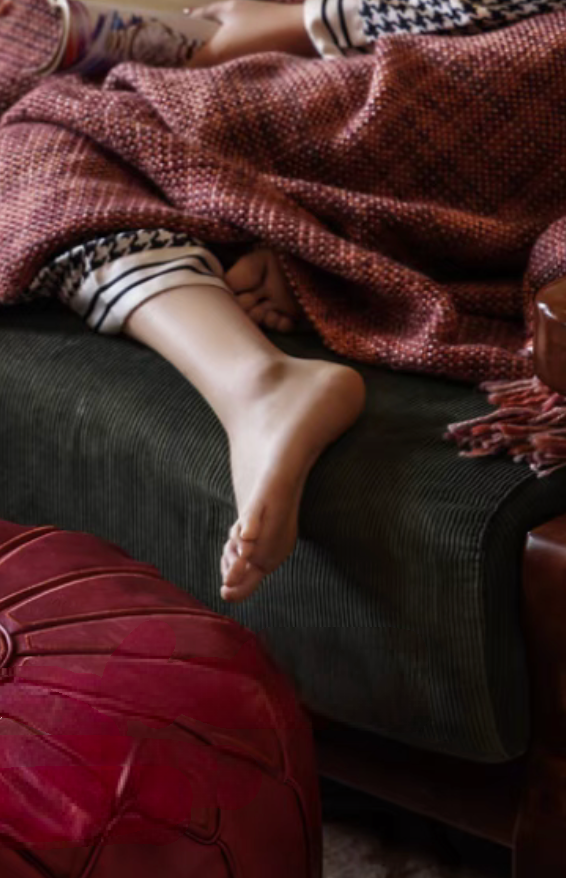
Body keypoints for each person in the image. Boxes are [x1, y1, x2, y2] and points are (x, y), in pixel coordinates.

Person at [28, 0, 564, 602]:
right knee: (50, 154)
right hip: (404, 67)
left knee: (59, 138)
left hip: (501, 65)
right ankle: (262, 365)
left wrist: (304, 22)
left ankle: (308, 270)